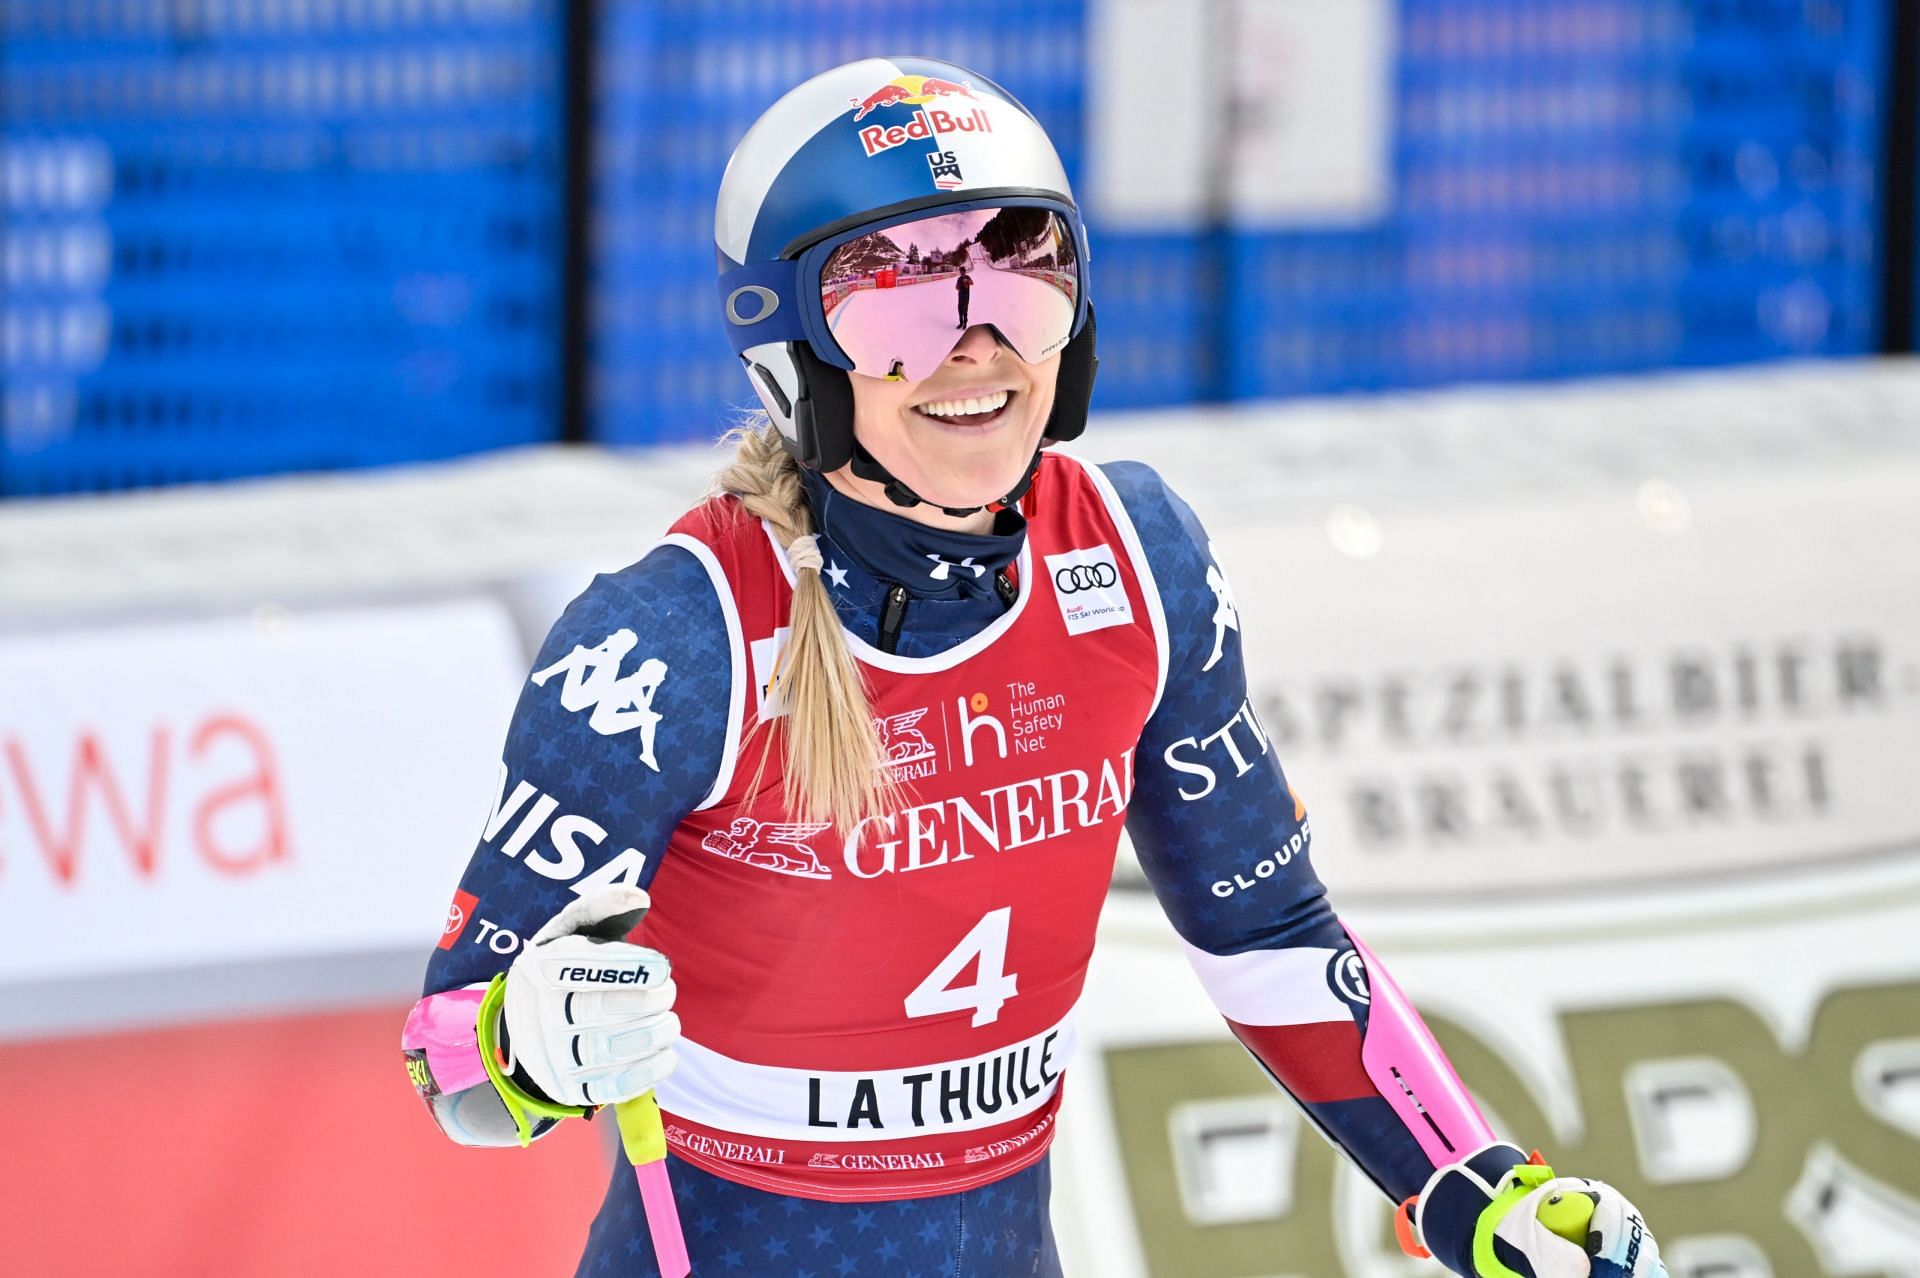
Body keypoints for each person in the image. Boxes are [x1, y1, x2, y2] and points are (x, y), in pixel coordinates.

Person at [401, 57, 1668, 1278]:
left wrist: (1474, 1185)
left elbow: (1267, 931)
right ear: (789, 348)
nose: (975, 346)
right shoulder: (681, 639)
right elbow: (446, 1060)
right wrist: (528, 1045)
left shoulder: (1134, 557)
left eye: (1019, 274)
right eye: (895, 297)